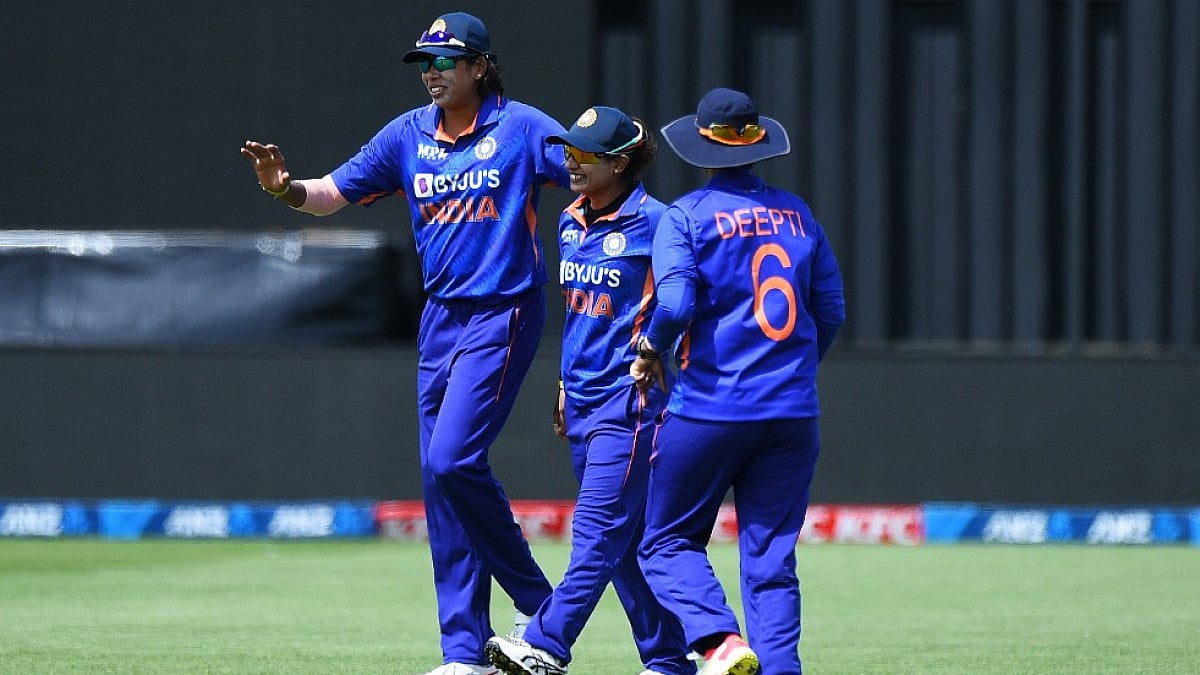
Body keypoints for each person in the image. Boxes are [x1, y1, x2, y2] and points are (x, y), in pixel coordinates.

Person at [240, 12, 571, 675]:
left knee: (452, 461)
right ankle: (463, 652)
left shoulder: (523, 127)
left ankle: (541, 606)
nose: (432, 73)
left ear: (480, 66)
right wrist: (284, 189)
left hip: (502, 312)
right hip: (440, 319)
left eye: (446, 61)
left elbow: (593, 174)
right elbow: (331, 192)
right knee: (438, 481)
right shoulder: (407, 135)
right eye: (425, 62)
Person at [630, 88, 846, 675]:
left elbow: (673, 306)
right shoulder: (799, 215)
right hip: (792, 413)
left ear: (702, 147)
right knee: (771, 559)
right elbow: (830, 312)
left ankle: (718, 642)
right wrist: (793, 372)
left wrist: (651, 348)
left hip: (709, 408)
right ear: (758, 147)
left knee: (665, 543)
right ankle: (779, 668)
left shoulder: (685, 217)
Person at [483, 107, 692, 675]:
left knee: (598, 530)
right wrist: (560, 382)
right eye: (569, 150)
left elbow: (682, 301)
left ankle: (547, 643)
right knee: (624, 544)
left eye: (584, 154)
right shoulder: (570, 219)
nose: (570, 162)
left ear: (620, 161)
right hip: (579, 398)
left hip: (630, 402)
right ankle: (670, 659)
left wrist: (654, 349)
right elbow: (579, 317)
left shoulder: (660, 222)